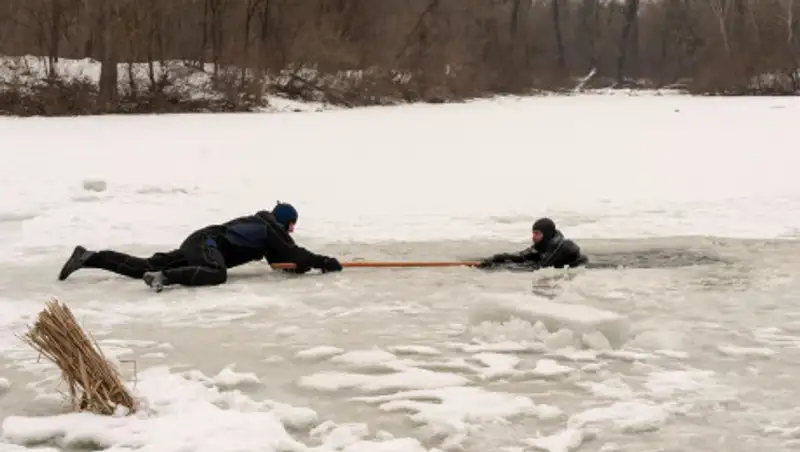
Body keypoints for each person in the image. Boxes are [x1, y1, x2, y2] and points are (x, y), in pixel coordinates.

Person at [57, 202, 343, 292]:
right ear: (285, 222)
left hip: (201, 240)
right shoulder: (270, 228)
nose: (293, 230)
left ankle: (89, 257)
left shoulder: (264, 228)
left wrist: (303, 267)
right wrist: (324, 261)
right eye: (292, 224)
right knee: (216, 273)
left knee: (147, 265)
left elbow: (282, 260)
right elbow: (291, 252)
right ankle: (165, 279)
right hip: (208, 244)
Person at [478, 217, 588, 270]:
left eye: (537, 234)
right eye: (533, 233)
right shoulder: (543, 245)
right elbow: (523, 256)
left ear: (547, 234)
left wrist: (501, 267)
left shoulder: (561, 247)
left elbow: (539, 268)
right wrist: (499, 258)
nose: (533, 237)